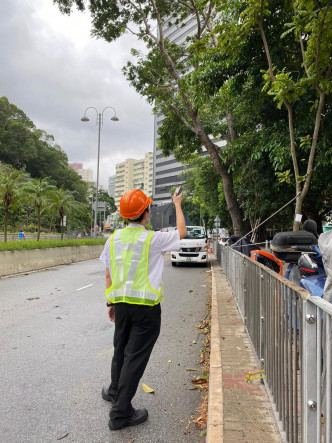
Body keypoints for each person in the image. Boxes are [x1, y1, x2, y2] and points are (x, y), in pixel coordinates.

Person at [99, 188, 186, 431]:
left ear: (125, 216)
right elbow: (181, 232)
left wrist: (111, 302)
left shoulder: (113, 239)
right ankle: (120, 414)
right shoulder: (152, 239)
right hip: (146, 310)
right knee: (134, 358)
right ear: (146, 213)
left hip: (122, 306)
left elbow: (108, 272)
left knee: (121, 351)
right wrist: (177, 204)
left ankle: (115, 390)